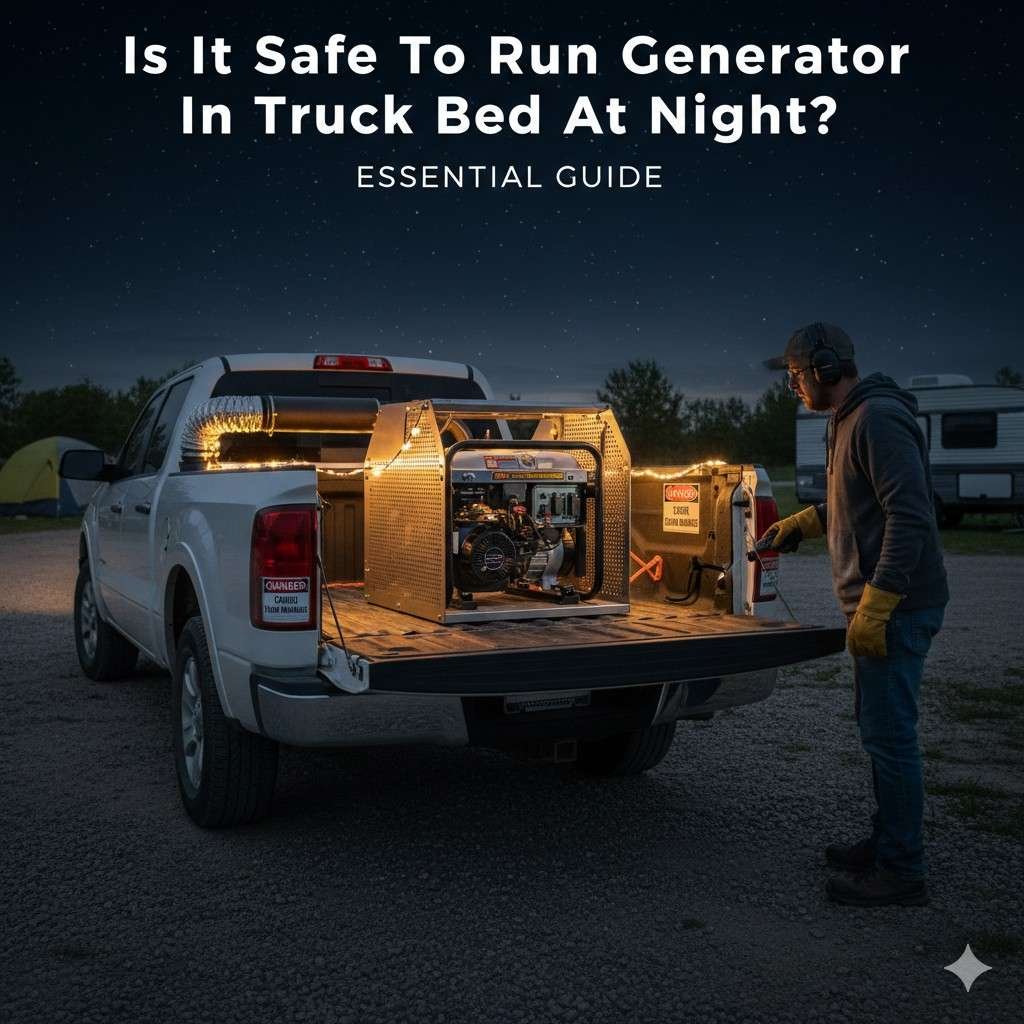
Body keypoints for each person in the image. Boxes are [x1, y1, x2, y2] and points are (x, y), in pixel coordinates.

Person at [761, 322, 949, 907]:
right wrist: (806, 522)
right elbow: (857, 494)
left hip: (897, 607)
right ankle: (888, 840)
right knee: (879, 734)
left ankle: (902, 870)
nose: (793, 386)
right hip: (880, 607)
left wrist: (880, 601)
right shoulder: (847, 420)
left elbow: (910, 514)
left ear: (821, 367)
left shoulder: (876, 418)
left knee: (891, 738)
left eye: (795, 375)